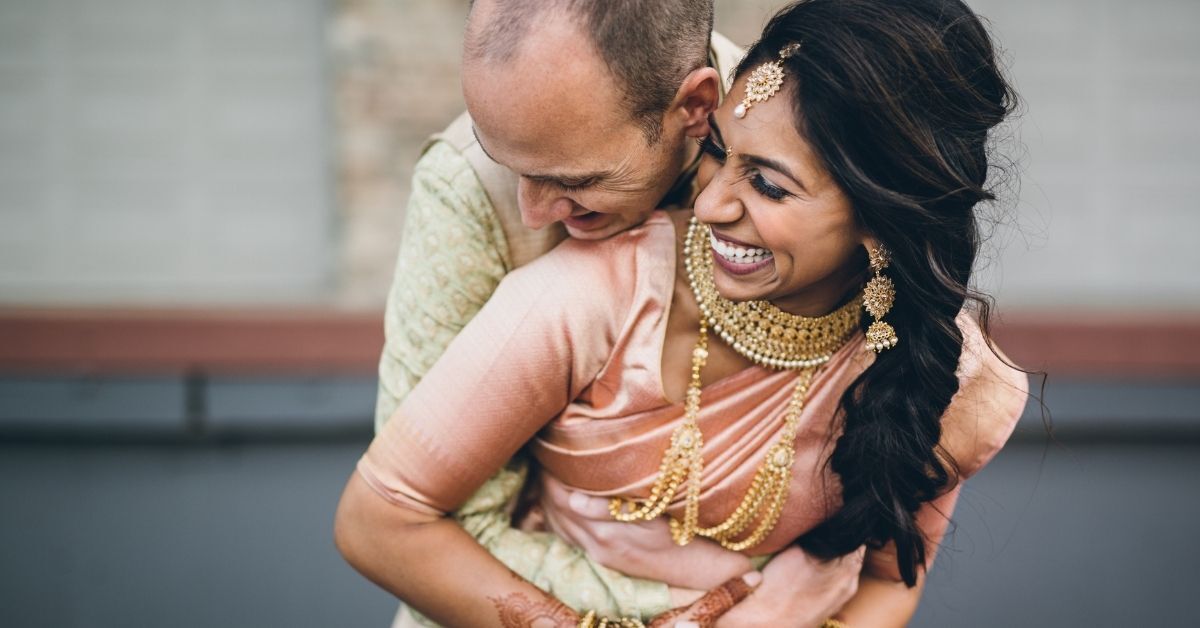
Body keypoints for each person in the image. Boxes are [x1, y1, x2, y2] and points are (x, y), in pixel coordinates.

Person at [339, 0, 1029, 625]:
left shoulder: (939, 366)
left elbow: (890, 579)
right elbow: (405, 517)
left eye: (765, 183)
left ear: (696, 108)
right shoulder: (569, 282)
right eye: (720, 159)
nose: (708, 206)